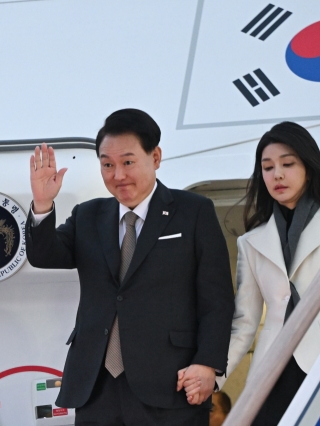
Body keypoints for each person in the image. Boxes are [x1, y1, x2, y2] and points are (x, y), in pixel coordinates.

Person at [26, 108, 235, 426]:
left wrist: (208, 364)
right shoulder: (89, 216)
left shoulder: (193, 212)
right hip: (97, 388)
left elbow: (217, 299)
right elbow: (45, 255)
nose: (118, 175)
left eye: (127, 162)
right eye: (107, 165)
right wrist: (42, 205)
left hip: (170, 385)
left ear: (156, 157)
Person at [181, 121, 320, 425]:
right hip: (272, 368)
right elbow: (245, 323)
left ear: (309, 168)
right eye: (267, 167)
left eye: (287, 164)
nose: (277, 174)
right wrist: (214, 373)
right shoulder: (250, 242)